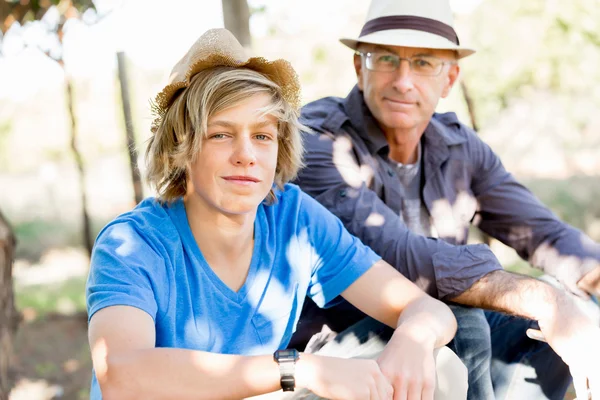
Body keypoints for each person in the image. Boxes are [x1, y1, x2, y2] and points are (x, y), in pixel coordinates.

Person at [85, 28, 468, 400]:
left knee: (437, 364)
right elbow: (122, 376)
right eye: (220, 134)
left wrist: (412, 338)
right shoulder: (132, 243)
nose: (246, 154)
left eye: (263, 136)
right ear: (180, 148)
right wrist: (297, 369)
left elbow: (426, 309)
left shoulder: (293, 217)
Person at [288, 0, 600, 399]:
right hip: (334, 353)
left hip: (438, 340)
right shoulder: (316, 142)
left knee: (575, 313)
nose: (403, 80)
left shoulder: (459, 147)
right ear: (358, 67)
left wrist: (573, 293)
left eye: (423, 63)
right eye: (386, 59)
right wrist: (545, 299)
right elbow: (398, 257)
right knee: (466, 316)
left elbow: (547, 236)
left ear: (449, 78)